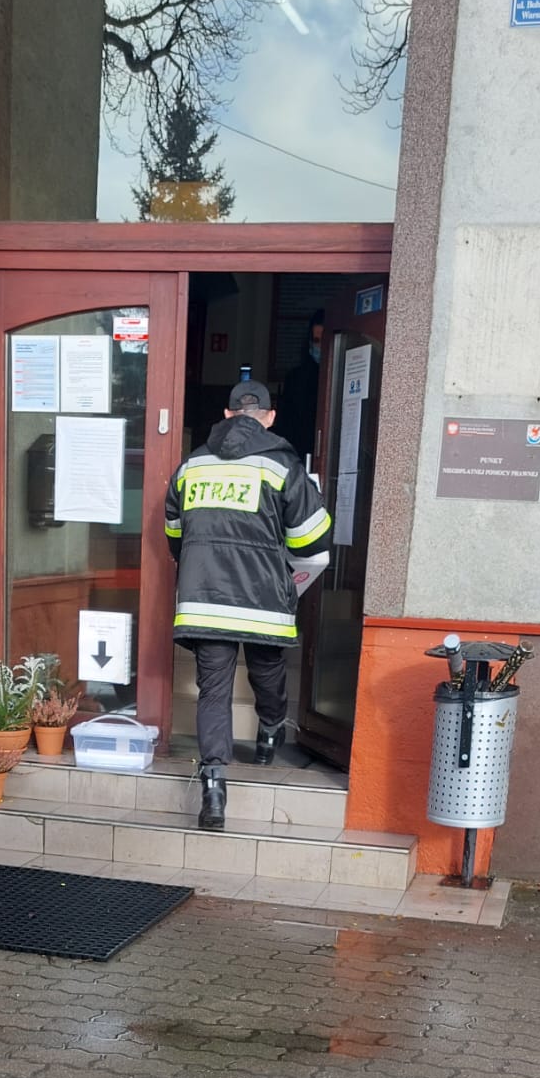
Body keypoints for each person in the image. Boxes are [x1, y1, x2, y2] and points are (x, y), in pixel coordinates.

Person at [165, 379, 331, 830]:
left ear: (226, 414)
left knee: (213, 693)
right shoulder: (281, 466)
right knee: (268, 672)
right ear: (270, 417)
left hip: (204, 600)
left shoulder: (192, 466)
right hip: (262, 600)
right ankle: (270, 731)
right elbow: (312, 539)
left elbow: (175, 532)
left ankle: (214, 789)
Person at [275, 310, 324, 467]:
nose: (320, 346)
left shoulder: (341, 374)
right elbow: (287, 425)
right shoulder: (296, 378)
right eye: (316, 340)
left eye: (324, 340)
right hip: (298, 458)